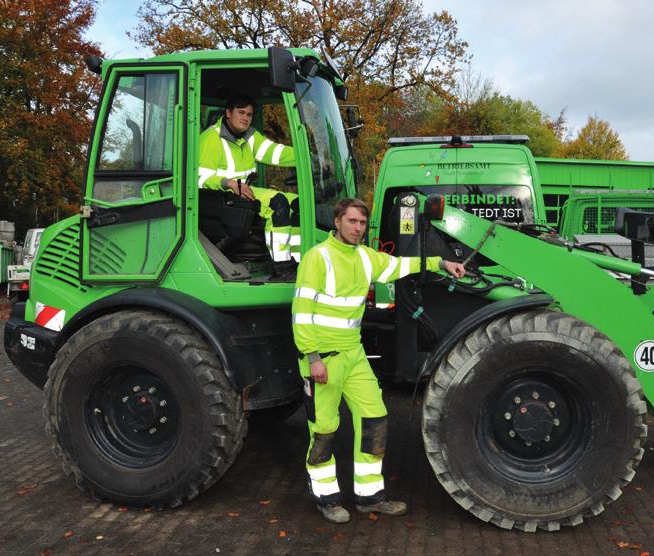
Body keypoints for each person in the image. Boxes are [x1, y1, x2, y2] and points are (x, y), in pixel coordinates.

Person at [291, 198, 466, 524]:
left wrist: (442, 264)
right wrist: (313, 358)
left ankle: (369, 497)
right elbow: (301, 313)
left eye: (362, 223)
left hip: (353, 356)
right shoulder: (317, 258)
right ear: (338, 220)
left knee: (374, 417)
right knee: (325, 431)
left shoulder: (366, 258)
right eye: (352, 221)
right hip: (323, 360)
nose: (358, 228)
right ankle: (326, 498)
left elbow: (403, 265)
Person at [198, 94, 299, 263]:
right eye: (241, 112)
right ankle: (282, 264)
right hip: (221, 197)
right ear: (228, 113)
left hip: (244, 192)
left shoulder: (249, 136)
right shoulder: (211, 138)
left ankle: (297, 260)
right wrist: (228, 183)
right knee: (278, 203)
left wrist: (308, 157)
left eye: (249, 115)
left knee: (297, 203)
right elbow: (199, 177)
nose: (245, 118)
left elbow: (275, 152)